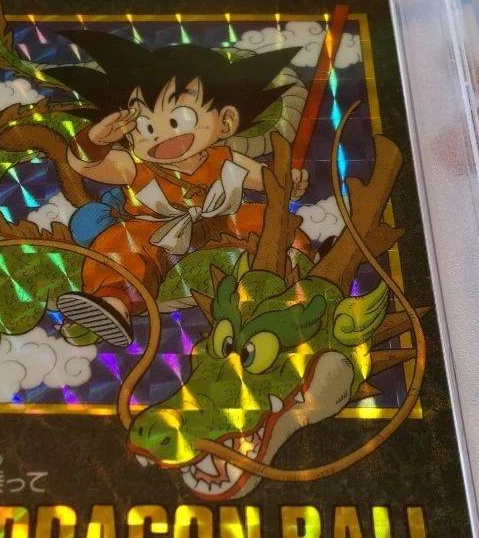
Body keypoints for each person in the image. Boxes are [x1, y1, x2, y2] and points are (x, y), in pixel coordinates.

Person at [49, 31, 310, 346]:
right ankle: (113, 301)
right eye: (145, 127)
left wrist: (289, 185)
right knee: (120, 243)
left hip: (223, 222)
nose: (160, 136)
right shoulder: (135, 166)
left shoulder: (225, 158)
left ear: (226, 122)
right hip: (154, 231)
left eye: (178, 119)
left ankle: (298, 271)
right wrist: (94, 141)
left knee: (271, 220)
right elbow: (85, 165)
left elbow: (268, 182)